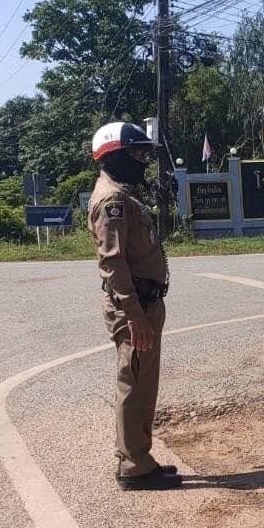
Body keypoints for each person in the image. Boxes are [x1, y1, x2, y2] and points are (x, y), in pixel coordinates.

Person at [87, 121, 177, 490]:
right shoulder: (113, 202)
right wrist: (134, 315)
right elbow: (113, 262)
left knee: (143, 382)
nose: (143, 160)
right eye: (137, 153)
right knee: (134, 382)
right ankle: (133, 466)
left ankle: (140, 456)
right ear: (115, 157)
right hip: (134, 305)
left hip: (144, 302)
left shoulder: (124, 195)